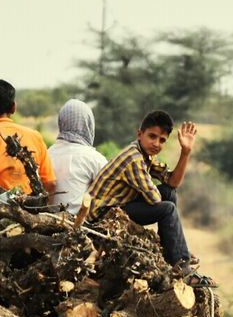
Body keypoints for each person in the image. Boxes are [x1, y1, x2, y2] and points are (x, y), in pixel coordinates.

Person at [76, 109, 208, 282]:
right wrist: (154, 189)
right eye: (152, 136)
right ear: (140, 134)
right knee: (168, 208)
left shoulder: (146, 155)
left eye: (162, 140)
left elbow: (172, 182)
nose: (156, 144)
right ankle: (182, 268)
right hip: (102, 218)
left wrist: (185, 152)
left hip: (120, 207)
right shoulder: (133, 158)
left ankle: (171, 251)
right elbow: (154, 199)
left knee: (169, 192)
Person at [47, 98, 106, 216]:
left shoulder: (47, 154)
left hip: (45, 220)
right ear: (88, 124)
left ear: (61, 122)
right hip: (78, 226)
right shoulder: (95, 158)